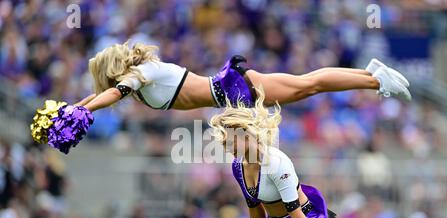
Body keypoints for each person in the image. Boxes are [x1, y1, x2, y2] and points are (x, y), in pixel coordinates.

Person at [209, 89, 336, 218]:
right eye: (225, 143)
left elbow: (296, 213)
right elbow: (255, 211)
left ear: (247, 134)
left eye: (231, 141)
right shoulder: (238, 166)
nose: (227, 147)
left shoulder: (276, 163)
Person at [77, 41, 411, 113]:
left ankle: (375, 80)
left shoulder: (141, 75)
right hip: (234, 90)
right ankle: (371, 74)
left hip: (237, 88)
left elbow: (110, 95)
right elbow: (101, 95)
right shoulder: (137, 81)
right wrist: (71, 109)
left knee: (310, 84)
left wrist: (82, 113)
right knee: (308, 84)